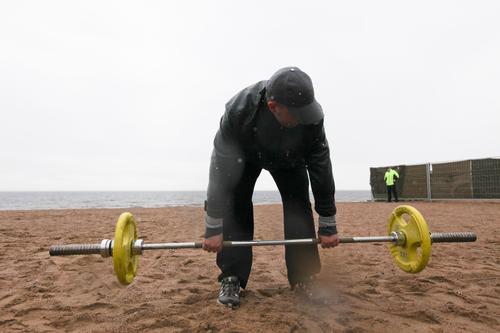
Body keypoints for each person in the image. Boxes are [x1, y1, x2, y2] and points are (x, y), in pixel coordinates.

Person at [202, 66, 339, 308]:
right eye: (297, 114)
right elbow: (220, 169)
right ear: (273, 106)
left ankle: (304, 277)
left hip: (290, 158)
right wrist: (213, 225)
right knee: (237, 203)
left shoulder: (312, 119)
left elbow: (320, 164)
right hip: (243, 157)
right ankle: (232, 276)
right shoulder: (238, 111)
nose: (304, 118)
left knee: (298, 206)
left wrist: (328, 221)